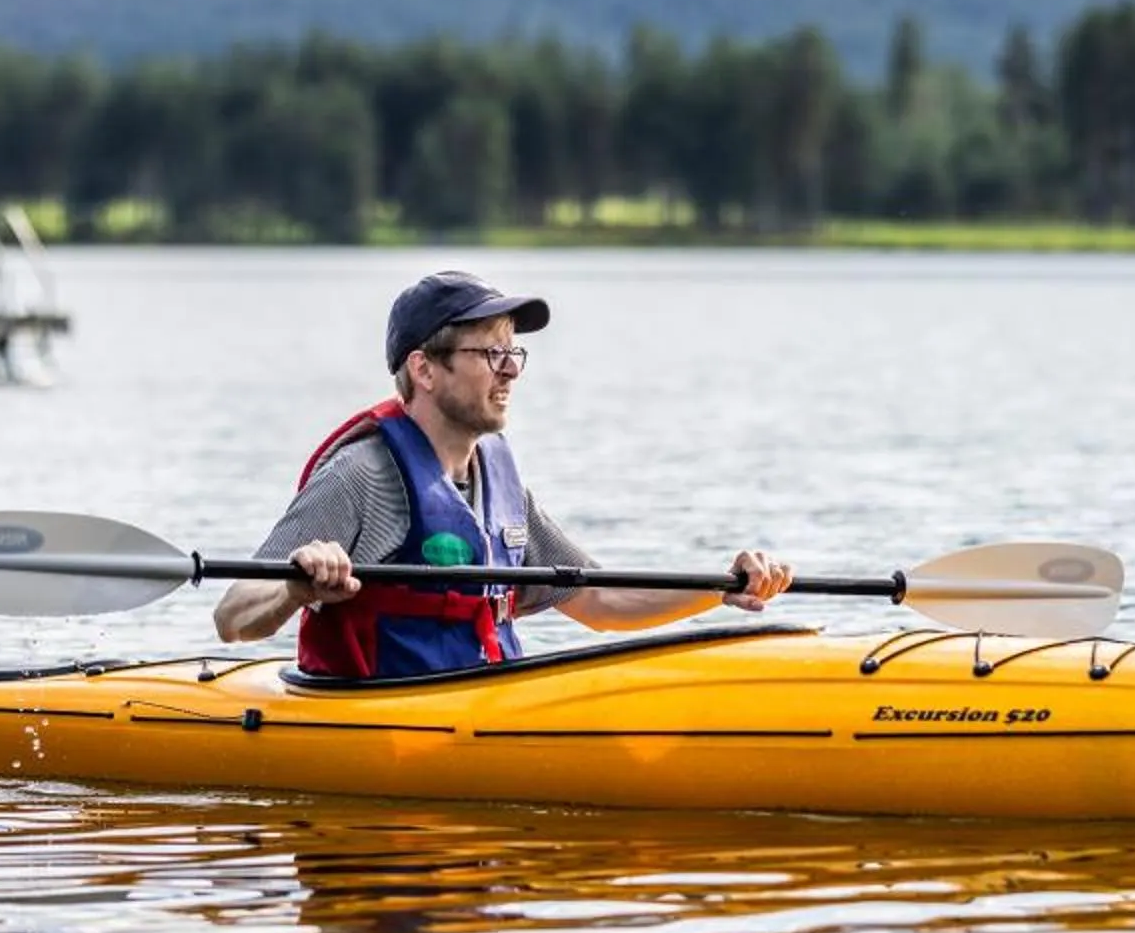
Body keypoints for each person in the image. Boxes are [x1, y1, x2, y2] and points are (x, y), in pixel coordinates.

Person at [213, 270, 794, 676]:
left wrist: (721, 586)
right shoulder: (362, 475)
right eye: (490, 353)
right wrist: (295, 587)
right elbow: (233, 615)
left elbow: (600, 600)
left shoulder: (500, 485)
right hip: (378, 718)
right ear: (425, 369)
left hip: (480, 708)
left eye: (513, 353)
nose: (511, 370)